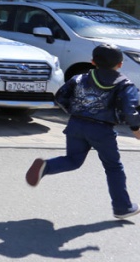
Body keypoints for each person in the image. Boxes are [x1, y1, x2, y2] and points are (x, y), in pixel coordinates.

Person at [26, 44, 140, 219]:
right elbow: (130, 110)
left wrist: (75, 112)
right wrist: (136, 129)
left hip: (76, 125)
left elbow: (60, 97)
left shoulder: (79, 78)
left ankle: (46, 166)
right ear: (120, 64)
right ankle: (122, 207)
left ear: (92, 61)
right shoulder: (124, 84)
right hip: (102, 129)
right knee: (113, 167)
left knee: (73, 160)